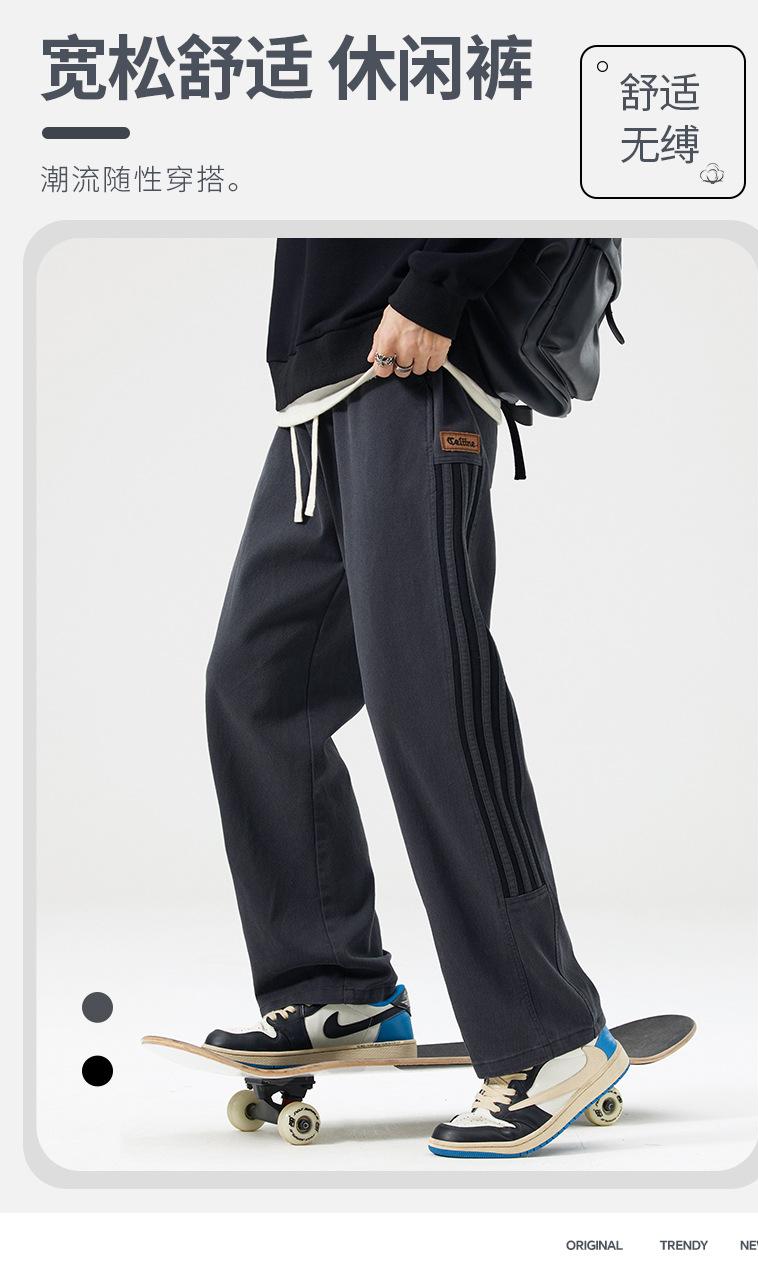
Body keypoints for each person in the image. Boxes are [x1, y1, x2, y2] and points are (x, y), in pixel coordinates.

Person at [203, 239, 628, 1158]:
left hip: (416, 360)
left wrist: (439, 284)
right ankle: (336, 988)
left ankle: (549, 1036)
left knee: (430, 698)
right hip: (323, 388)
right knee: (255, 688)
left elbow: (510, 157)